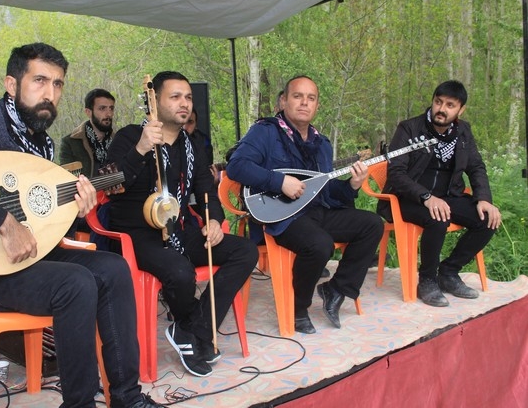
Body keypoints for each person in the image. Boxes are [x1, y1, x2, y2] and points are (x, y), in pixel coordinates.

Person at [0, 43, 162, 408]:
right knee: (75, 283)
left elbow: (38, 217)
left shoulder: (42, 144)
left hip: (33, 259)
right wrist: (1, 222)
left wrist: (75, 208)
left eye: (58, 84)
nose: (50, 93)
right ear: (11, 85)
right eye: (40, 80)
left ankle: (127, 397)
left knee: (113, 267)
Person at [107, 71, 257, 377]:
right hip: (138, 235)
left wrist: (214, 220)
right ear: (154, 102)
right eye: (175, 97)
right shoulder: (128, 136)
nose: (184, 103)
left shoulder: (192, 146)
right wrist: (140, 149)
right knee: (179, 271)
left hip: (179, 227)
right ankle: (192, 329)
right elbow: (110, 185)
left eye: (187, 97)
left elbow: (205, 191)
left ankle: (193, 329)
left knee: (245, 251)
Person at [226, 75, 383, 334]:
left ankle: (336, 289)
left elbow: (325, 189)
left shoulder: (321, 144)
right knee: (319, 244)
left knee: (372, 224)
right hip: (283, 216)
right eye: (297, 96)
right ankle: (298, 308)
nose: (304, 103)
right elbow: (237, 166)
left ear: (317, 106)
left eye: (311, 98)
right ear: (283, 100)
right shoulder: (265, 132)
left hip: (317, 211)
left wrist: (352, 185)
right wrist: (279, 182)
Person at [378, 80, 501, 307]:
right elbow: (396, 173)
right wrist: (426, 197)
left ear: (460, 110)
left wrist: (484, 199)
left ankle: (449, 271)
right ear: (433, 101)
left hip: (448, 196)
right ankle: (427, 279)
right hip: (407, 198)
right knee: (437, 217)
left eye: (450, 105)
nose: (441, 109)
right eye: (438, 102)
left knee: (488, 219)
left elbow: (476, 167)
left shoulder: (463, 131)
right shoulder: (409, 128)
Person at [59, 88, 115, 177]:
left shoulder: (119, 140)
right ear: (88, 112)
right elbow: (66, 179)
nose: (109, 114)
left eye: (111, 108)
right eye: (102, 108)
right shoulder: (70, 143)